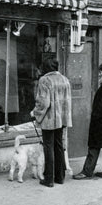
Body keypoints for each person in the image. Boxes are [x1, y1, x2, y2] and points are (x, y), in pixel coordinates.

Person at [30, 57, 72, 187]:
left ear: (46, 68)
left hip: (49, 119)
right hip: (61, 118)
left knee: (48, 147)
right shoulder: (65, 79)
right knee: (59, 146)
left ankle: (49, 178)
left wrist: (35, 113)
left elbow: (43, 102)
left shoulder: (45, 80)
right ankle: (60, 177)